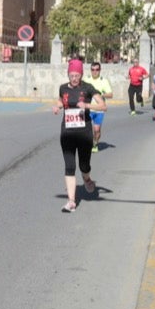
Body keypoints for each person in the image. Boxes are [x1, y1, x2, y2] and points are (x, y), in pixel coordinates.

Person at [54, 58, 102, 213]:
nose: (74, 79)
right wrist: (57, 106)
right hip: (67, 133)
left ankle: (87, 178)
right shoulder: (63, 88)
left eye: (77, 75)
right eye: (71, 75)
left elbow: (103, 106)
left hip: (84, 134)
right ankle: (71, 201)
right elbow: (62, 100)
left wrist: (87, 105)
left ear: (81, 75)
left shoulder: (88, 88)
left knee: (84, 166)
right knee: (69, 167)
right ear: (68, 74)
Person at [86, 61, 113, 145]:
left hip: (99, 110)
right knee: (86, 129)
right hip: (88, 109)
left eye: (97, 69)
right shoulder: (86, 79)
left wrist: (101, 95)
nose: (95, 71)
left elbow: (110, 94)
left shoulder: (104, 81)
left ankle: (95, 142)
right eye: (93, 69)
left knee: (97, 130)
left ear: (100, 70)